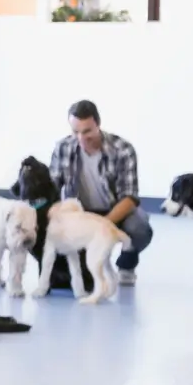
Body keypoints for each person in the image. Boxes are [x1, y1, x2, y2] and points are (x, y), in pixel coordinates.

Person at [48, 100, 152, 285]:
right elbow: (52, 190)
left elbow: (130, 198)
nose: (81, 137)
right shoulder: (62, 148)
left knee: (140, 227)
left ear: (98, 124)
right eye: (75, 132)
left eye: (87, 131)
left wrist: (102, 226)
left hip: (115, 211)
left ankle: (126, 265)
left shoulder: (123, 150)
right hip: (81, 214)